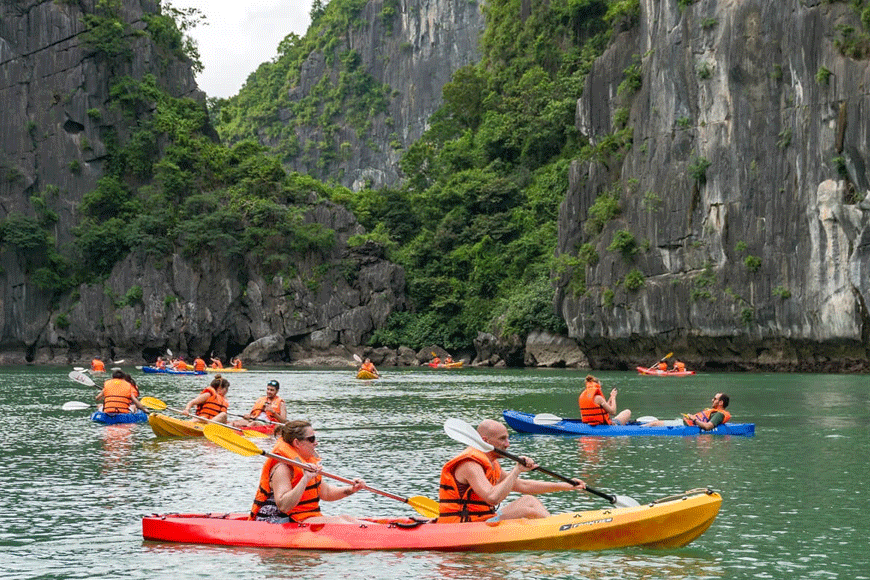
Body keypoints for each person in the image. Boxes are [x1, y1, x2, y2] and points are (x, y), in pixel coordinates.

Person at [438, 419, 585, 523]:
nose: (507, 444)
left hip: (483, 518)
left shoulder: (492, 463)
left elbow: (523, 486)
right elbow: (492, 498)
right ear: (485, 441)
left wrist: (567, 486)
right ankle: (556, 528)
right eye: (502, 439)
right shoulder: (470, 465)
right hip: (464, 525)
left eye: (508, 438)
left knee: (529, 500)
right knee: (528, 512)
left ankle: (553, 526)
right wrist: (516, 470)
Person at [249, 420, 368, 524]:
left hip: (302, 517)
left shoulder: (305, 463)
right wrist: (305, 479)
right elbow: (284, 506)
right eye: (311, 439)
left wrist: (352, 489)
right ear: (297, 443)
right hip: (277, 520)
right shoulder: (282, 468)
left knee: (346, 518)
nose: (316, 443)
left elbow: (326, 492)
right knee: (338, 521)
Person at [642, 393, 731, 430]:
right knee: (654, 422)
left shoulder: (719, 414)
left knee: (655, 424)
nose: (712, 400)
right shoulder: (715, 411)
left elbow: (708, 427)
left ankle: (636, 429)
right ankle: (641, 426)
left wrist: (694, 419)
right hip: (685, 422)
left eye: (715, 399)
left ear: (720, 402)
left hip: (685, 425)